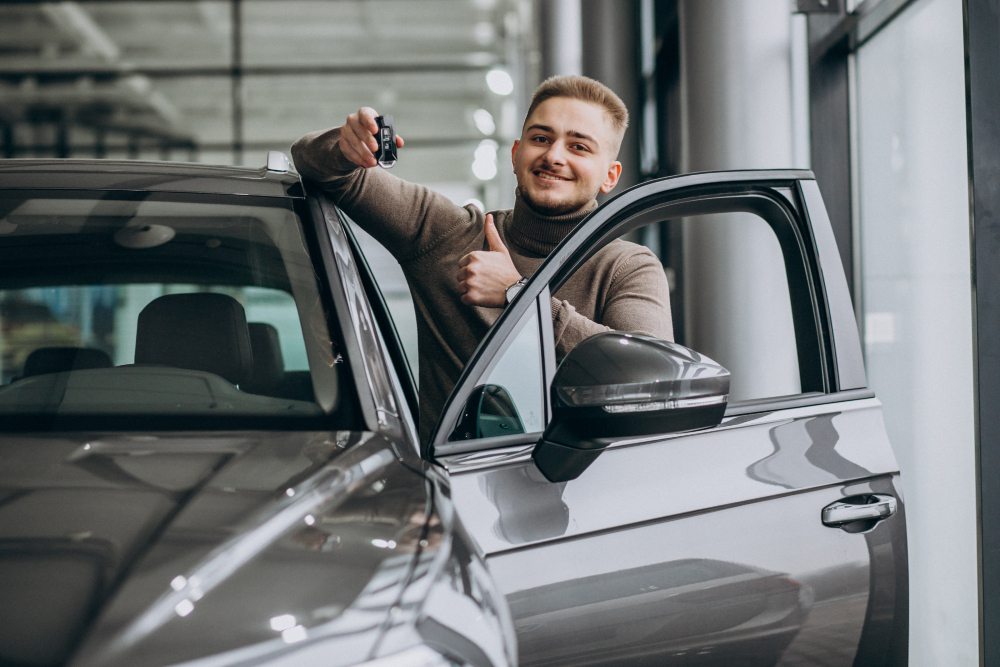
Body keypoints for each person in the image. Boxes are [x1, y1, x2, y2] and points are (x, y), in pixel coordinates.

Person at [292, 75, 673, 443]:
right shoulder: (446, 234)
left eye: (579, 147)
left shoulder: (628, 266)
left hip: (584, 499)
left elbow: (650, 379)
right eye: (541, 138)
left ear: (610, 176)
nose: (554, 156)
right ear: (515, 153)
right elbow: (318, 166)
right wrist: (346, 146)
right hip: (456, 496)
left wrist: (518, 296)